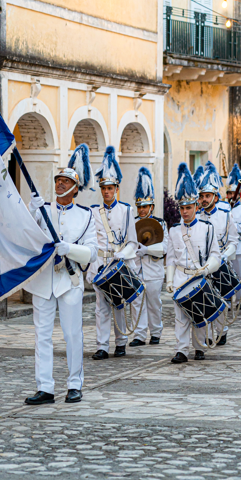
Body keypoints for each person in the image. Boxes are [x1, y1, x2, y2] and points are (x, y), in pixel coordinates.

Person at [24, 144, 97, 405]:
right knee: (41, 334)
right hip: (44, 279)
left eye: (65, 181)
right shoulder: (43, 210)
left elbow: (92, 253)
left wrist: (71, 249)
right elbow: (28, 233)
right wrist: (32, 210)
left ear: (75, 188)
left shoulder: (86, 216)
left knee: (72, 334)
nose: (60, 185)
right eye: (58, 180)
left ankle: (74, 384)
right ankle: (45, 387)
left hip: (70, 279)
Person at [166, 163, 221, 364]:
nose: (185, 212)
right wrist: (169, 279)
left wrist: (207, 268)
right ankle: (181, 350)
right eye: (182, 208)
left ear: (197, 207)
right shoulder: (173, 230)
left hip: (199, 274)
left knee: (200, 311)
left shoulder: (207, 228)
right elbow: (171, 257)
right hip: (181, 275)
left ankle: (199, 347)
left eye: (189, 208)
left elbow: (216, 254)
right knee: (180, 315)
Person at [89, 146, 138, 360]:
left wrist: (123, 256)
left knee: (118, 303)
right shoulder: (93, 212)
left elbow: (132, 242)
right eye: (104, 189)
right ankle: (102, 346)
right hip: (101, 263)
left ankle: (120, 343)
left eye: (110, 188)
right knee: (101, 307)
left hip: (119, 263)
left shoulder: (126, 210)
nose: (107, 192)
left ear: (116, 189)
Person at [197, 160, 238, 345]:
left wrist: (224, 256)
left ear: (215, 197)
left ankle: (221, 330)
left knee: (222, 301)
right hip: (201, 266)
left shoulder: (225, 216)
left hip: (220, 265)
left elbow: (233, 242)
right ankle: (204, 333)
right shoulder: (196, 218)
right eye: (202, 196)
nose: (204, 199)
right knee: (203, 300)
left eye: (208, 195)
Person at [129, 166, 167, 348]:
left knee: (153, 302)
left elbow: (164, 247)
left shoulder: (160, 223)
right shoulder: (132, 223)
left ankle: (156, 332)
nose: (142, 210)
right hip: (137, 268)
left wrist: (148, 250)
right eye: (139, 207)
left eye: (144, 206)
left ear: (151, 206)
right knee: (136, 303)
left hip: (153, 269)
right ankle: (139, 334)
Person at [226, 164, 241, 308]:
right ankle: (228, 301)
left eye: (232, 194)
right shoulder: (224, 208)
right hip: (228, 247)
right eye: (229, 194)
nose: (231, 196)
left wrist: (232, 224)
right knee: (228, 276)